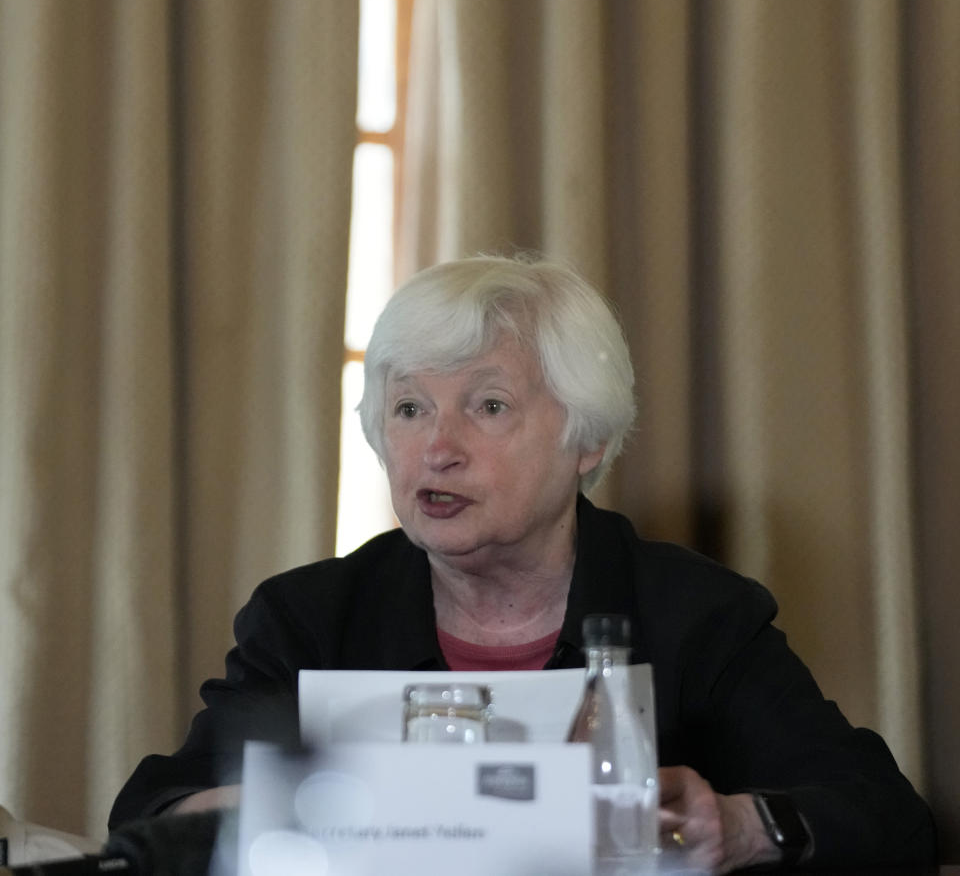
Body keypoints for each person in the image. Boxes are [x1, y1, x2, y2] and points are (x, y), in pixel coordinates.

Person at [110, 255, 936, 872]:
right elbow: (148, 815)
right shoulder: (311, 615)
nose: (437, 447)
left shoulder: (696, 613)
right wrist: (264, 801)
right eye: (408, 409)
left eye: (489, 405)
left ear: (589, 440)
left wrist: (740, 824)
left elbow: (887, 817)